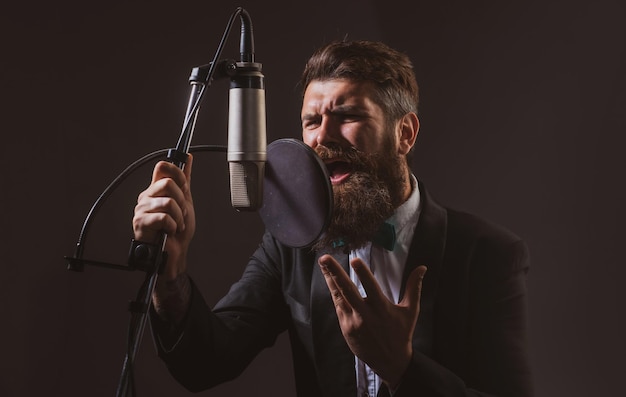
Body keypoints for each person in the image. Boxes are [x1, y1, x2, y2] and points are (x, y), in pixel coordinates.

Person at [133, 40, 533, 397]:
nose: (322, 137)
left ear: (405, 134)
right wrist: (171, 272)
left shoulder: (488, 254)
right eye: (312, 121)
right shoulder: (291, 245)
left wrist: (402, 368)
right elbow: (205, 362)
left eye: (347, 116)